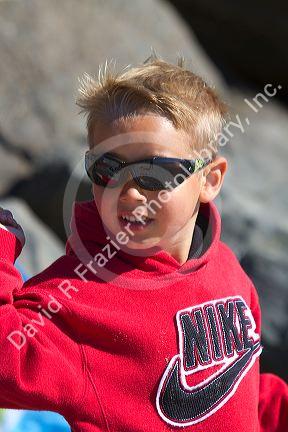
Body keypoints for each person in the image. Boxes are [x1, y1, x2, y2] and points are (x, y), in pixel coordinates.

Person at [0, 56, 287, 432]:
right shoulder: (79, 296)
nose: (129, 192)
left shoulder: (227, 269)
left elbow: (240, 382)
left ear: (209, 180)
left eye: (155, 173)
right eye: (107, 170)